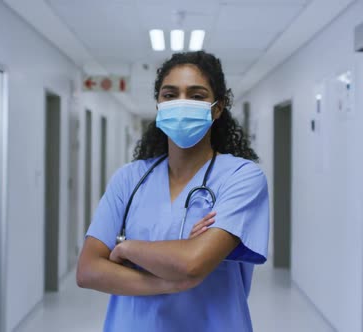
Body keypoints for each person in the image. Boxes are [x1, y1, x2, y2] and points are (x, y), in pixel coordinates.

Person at [76, 51, 270, 332]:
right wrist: (169, 281)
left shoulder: (242, 177)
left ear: (217, 108)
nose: (181, 103)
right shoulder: (130, 179)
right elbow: (88, 270)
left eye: (196, 95)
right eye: (170, 94)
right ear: (158, 104)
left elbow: (192, 264)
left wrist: (127, 248)